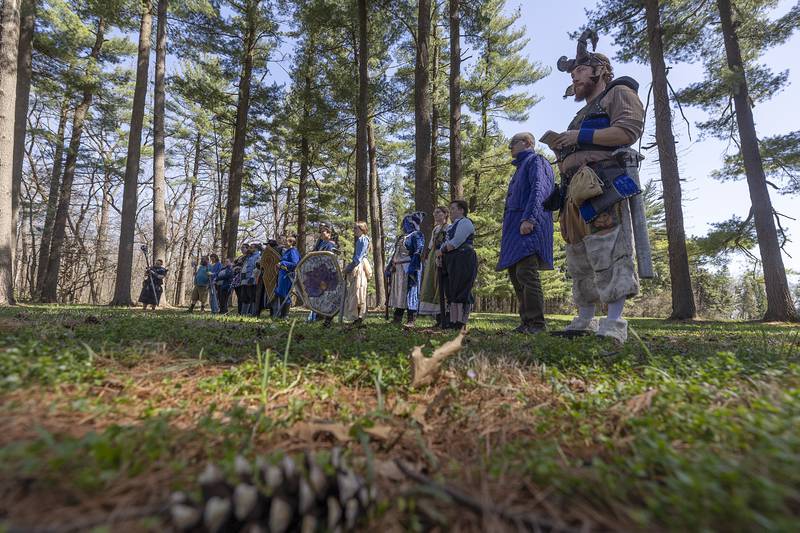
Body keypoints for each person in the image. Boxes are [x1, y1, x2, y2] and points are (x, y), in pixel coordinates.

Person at [543, 31, 645, 343]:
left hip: (603, 184)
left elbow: (628, 131)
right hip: (573, 191)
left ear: (600, 70)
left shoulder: (620, 92)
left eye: (580, 71)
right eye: (572, 73)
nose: (574, 77)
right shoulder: (579, 114)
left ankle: (614, 324)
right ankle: (584, 319)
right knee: (579, 257)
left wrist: (580, 138)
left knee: (608, 249)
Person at [496, 132, 555, 334]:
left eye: (513, 143)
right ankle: (526, 322)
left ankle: (537, 323)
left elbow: (540, 190)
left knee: (526, 273)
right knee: (515, 274)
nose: (509, 147)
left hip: (528, 224)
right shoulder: (520, 167)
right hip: (514, 228)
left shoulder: (536, 161)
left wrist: (530, 218)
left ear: (527, 143)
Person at [437, 200, 478, 329]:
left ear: (461, 210)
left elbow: (456, 242)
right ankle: (453, 321)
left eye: (454, 209)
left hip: (463, 257)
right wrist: (441, 253)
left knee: (461, 290)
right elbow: (446, 243)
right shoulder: (451, 226)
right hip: (452, 259)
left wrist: (442, 250)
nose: (451, 211)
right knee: (451, 290)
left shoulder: (466, 222)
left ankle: (461, 322)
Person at [386, 212, 426, 327]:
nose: (405, 225)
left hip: (409, 267)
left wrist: (413, 268)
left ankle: (411, 319)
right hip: (398, 269)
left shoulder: (417, 235)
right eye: (405, 222)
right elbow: (395, 253)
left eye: (408, 222)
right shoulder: (402, 236)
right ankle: (397, 318)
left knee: (410, 293)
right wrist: (389, 267)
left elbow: (418, 251)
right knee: (399, 293)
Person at [418, 206, 450, 326]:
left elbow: (447, 243)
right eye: (434, 213)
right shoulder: (435, 229)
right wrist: (427, 257)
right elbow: (431, 245)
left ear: (445, 214)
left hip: (443, 256)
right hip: (433, 257)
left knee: (441, 285)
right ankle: (438, 318)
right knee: (432, 284)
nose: (435, 215)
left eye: (438, 213)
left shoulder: (449, 227)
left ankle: (445, 317)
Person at [308, 224, 339, 325]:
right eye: (320, 232)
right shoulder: (322, 244)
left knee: (327, 296)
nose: (321, 234)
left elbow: (328, 259)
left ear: (329, 233)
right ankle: (319, 316)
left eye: (323, 232)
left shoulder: (331, 244)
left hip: (327, 274)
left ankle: (328, 318)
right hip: (320, 273)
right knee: (320, 295)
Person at [344, 221, 373, 327]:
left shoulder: (363, 239)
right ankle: (357, 317)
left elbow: (358, 257)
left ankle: (359, 317)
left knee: (358, 291)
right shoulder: (362, 239)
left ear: (362, 229)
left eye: (356, 228)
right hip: (359, 265)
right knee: (356, 291)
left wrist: (349, 267)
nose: (354, 230)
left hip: (359, 266)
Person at [270, 235, 301, 318]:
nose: (284, 242)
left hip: (287, 276)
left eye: (287, 241)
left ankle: (285, 315)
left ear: (291, 243)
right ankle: (281, 314)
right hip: (282, 275)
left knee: (285, 294)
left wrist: (282, 263)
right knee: (280, 294)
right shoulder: (288, 251)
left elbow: (295, 264)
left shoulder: (293, 251)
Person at [241, 242, 262, 315]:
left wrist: (252, 277)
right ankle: (243, 313)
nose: (249, 249)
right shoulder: (249, 257)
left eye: (251, 247)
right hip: (246, 279)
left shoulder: (258, 256)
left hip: (253, 280)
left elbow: (257, 268)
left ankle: (253, 313)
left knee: (252, 296)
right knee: (245, 296)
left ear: (256, 249)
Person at [233, 243, 250, 314]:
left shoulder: (248, 257)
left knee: (242, 295)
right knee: (238, 295)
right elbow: (234, 264)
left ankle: (244, 311)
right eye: (241, 248)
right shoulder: (239, 257)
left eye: (244, 248)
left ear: (247, 248)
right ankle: (239, 311)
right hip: (236, 279)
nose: (242, 249)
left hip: (243, 278)